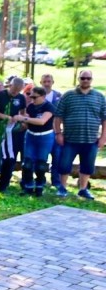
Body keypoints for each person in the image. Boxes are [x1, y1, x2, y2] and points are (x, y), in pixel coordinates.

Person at [53, 70, 106, 199]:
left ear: (91, 80)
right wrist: (58, 133)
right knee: (64, 165)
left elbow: (104, 118)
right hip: (70, 138)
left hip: (91, 139)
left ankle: (83, 189)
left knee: (87, 166)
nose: (85, 80)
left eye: (88, 78)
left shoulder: (99, 96)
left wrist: (103, 138)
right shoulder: (68, 95)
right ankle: (62, 188)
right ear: (79, 79)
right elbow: (58, 116)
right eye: (83, 78)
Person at [0, 76, 27, 192]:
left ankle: (4, 185)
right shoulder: (0, 95)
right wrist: (4, 117)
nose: (15, 92)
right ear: (10, 85)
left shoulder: (21, 97)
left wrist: (22, 121)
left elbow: (23, 113)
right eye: (14, 89)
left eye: (18, 90)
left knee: (10, 158)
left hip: (13, 131)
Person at [13, 86, 55, 197]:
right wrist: (21, 122)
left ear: (42, 96)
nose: (32, 99)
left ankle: (40, 185)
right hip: (31, 135)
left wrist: (23, 119)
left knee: (41, 164)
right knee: (27, 163)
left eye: (35, 97)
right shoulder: (31, 106)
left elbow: (42, 121)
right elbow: (27, 119)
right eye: (30, 96)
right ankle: (28, 186)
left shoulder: (49, 107)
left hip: (45, 137)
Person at [40, 73, 63, 189]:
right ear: (41, 83)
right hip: (42, 132)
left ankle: (56, 181)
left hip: (55, 131)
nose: (47, 83)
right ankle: (41, 179)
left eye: (49, 81)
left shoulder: (59, 96)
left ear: (53, 82)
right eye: (44, 81)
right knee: (42, 157)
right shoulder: (37, 95)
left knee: (57, 156)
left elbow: (63, 112)